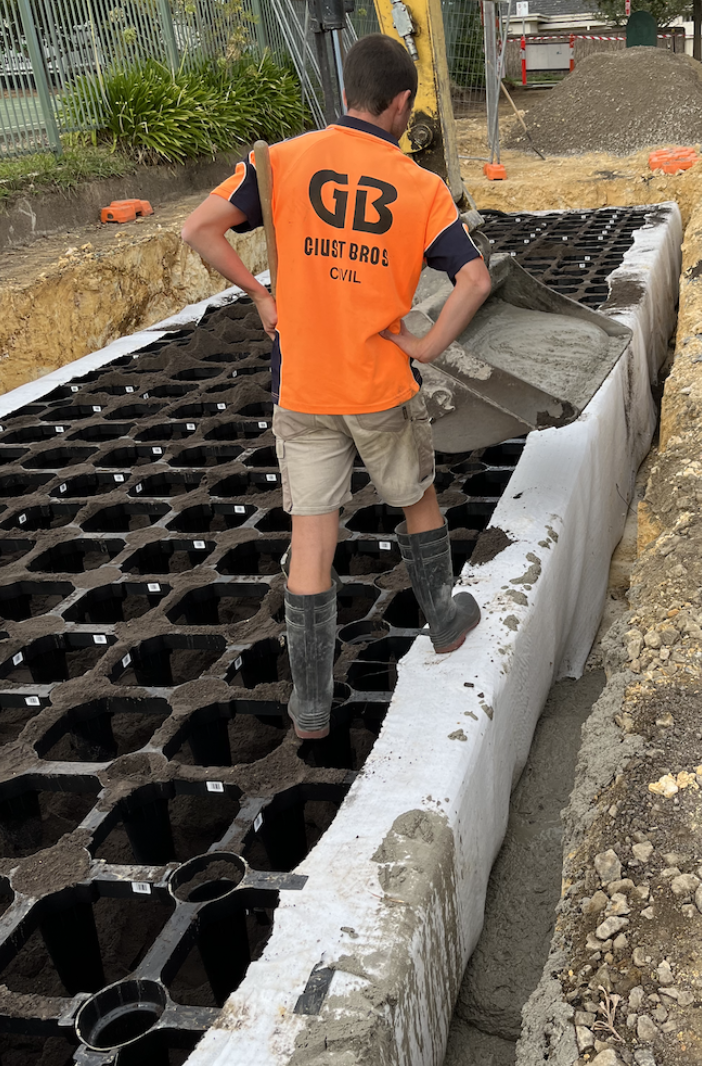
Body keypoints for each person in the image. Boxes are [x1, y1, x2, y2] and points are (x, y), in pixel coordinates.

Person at [182, 34, 493, 741]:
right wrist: (425, 345)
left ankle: (314, 704)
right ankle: (444, 621)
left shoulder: (279, 162)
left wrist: (261, 294)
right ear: (404, 104)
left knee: (313, 536)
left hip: (303, 386)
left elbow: (198, 229)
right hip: (379, 383)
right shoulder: (419, 186)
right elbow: (474, 279)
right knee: (416, 497)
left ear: (345, 92)